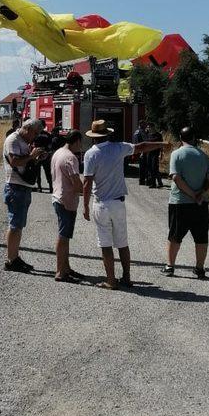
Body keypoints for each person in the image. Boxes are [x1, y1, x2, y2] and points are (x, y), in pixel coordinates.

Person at [82, 120, 171, 290]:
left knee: (105, 244)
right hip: (118, 203)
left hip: (101, 204)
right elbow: (142, 146)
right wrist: (162, 144)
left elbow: (87, 182)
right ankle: (127, 277)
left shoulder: (90, 154)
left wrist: (85, 206)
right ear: (107, 134)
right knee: (122, 243)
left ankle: (111, 280)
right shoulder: (119, 147)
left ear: (93, 137)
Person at [163, 127, 209, 278]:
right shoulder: (203, 155)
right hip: (201, 204)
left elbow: (176, 178)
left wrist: (191, 194)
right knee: (201, 236)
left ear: (180, 138)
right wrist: (201, 194)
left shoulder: (177, 154)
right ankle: (199, 268)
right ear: (194, 138)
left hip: (180, 202)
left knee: (175, 235)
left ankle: (170, 266)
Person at [2, 118, 47, 272]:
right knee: (14, 225)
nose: (34, 137)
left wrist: (37, 157)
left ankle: (14, 257)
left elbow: (25, 162)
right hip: (15, 187)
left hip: (23, 187)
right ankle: (11, 260)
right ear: (26, 128)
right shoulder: (13, 140)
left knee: (18, 225)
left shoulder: (22, 141)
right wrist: (32, 156)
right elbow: (14, 161)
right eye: (34, 133)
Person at [51, 129, 85, 283]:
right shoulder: (71, 158)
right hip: (67, 201)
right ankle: (60, 271)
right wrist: (86, 190)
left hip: (58, 197)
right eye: (80, 142)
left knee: (65, 236)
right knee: (63, 236)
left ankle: (66, 267)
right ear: (76, 141)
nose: (81, 146)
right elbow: (76, 182)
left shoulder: (58, 152)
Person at [34, 120, 53, 193]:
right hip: (45, 155)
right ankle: (51, 187)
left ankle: (39, 187)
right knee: (48, 172)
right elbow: (50, 145)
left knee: (37, 172)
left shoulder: (35, 134)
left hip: (37, 154)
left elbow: (32, 144)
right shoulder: (47, 134)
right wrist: (48, 152)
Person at [146, 123, 164, 188]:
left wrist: (161, 154)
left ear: (153, 127)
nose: (147, 128)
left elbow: (161, 145)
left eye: (149, 127)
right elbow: (146, 144)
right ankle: (155, 183)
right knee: (150, 168)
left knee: (154, 168)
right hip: (149, 153)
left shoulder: (158, 135)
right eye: (147, 127)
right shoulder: (148, 135)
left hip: (156, 154)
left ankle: (157, 183)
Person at [132, 119, 148, 185]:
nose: (146, 125)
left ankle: (142, 180)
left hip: (140, 150)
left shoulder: (137, 131)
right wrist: (141, 151)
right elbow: (140, 142)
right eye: (144, 124)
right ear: (141, 124)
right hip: (142, 151)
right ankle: (142, 180)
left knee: (143, 166)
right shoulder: (140, 132)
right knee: (143, 167)